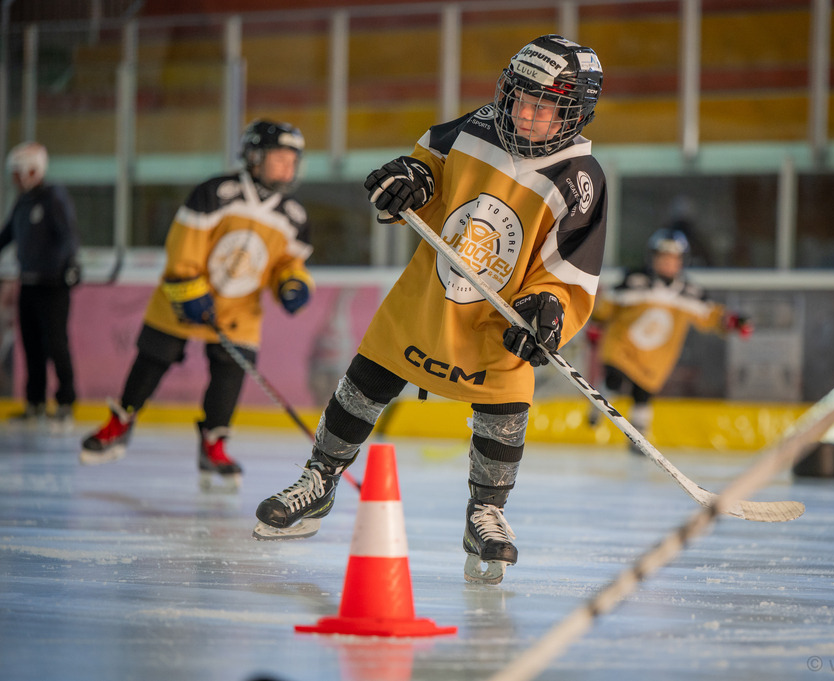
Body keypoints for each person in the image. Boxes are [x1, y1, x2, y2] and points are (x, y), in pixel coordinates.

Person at [252, 35, 606, 585]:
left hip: (497, 319)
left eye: (543, 106)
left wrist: (547, 309)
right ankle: (319, 480)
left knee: (504, 410)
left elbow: (570, 268)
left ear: (575, 115)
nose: (525, 113)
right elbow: (427, 169)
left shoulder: (580, 179)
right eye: (519, 97)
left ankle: (486, 513)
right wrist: (408, 181)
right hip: (428, 298)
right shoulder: (477, 125)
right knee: (365, 382)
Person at [79, 120, 314, 491]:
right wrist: (188, 289)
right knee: (154, 356)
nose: (288, 166)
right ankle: (120, 423)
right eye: (279, 157)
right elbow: (183, 248)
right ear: (254, 157)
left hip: (238, 311)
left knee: (229, 374)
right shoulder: (215, 192)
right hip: (185, 296)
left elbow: (288, 263)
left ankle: (214, 444)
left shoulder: (294, 217)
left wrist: (293, 283)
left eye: (293, 159)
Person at [587, 228, 753, 453]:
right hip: (621, 346)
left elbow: (710, 314)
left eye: (673, 259)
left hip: (655, 357)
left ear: (682, 262)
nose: (667, 263)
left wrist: (731, 321)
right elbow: (610, 304)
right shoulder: (635, 280)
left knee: (643, 393)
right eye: (662, 258)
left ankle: (639, 436)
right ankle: (600, 404)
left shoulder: (689, 292)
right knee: (615, 377)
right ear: (652, 258)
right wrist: (596, 321)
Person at [0, 141, 80, 431]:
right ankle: (34, 404)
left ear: (33, 170)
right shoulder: (23, 201)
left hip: (54, 285)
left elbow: (68, 234)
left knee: (56, 344)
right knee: (31, 345)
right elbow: (7, 234)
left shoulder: (53, 197)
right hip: (29, 282)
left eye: (17, 172)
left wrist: (71, 264)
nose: (14, 179)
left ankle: (65, 404)